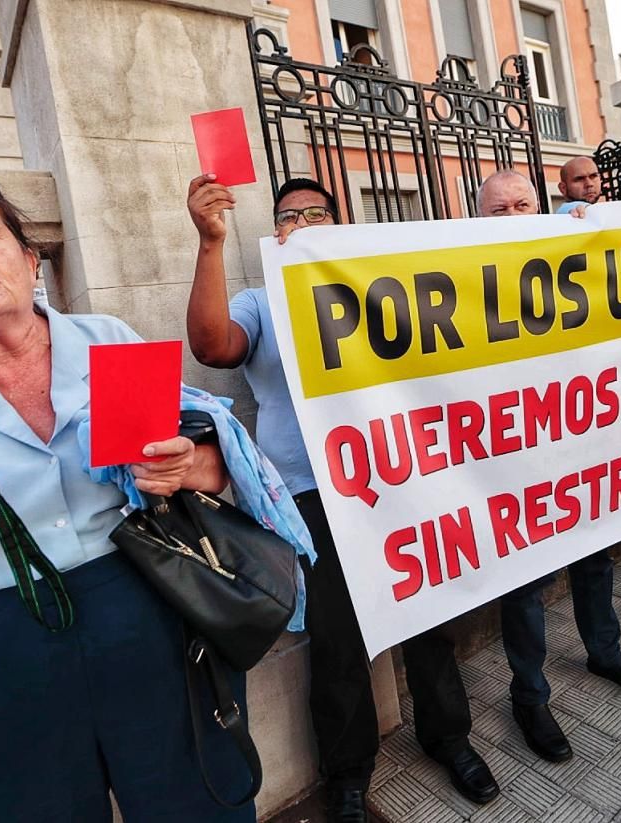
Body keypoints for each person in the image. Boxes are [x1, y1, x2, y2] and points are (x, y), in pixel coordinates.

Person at [0, 164, 259, 821]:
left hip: (149, 619)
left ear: (29, 260)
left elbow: (211, 474)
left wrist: (184, 464)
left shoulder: (107, 340)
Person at [186, 175, 502, 818]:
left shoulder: (381, 287)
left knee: (428, 617)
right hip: (311, 493)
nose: (302, 221)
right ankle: (349, 771)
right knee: (337, 640)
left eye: (317, 212)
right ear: (273, 232)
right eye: (288, 215)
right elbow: (212, 346)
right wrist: (209, 244)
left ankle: (449, 738)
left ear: (341, 223)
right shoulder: (258, 300)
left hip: (401, 479)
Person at [476, 171, 621, 707]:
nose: (514, 217)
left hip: (581, 440)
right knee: (524, 579)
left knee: (594, 555)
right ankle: (530, 692)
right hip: (514, 452)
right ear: (477, 220)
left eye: (523, 205)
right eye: (499, 211)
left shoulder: (573, 250)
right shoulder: (462, 272)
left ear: (541, 207)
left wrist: (597, 232)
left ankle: (604, 651)